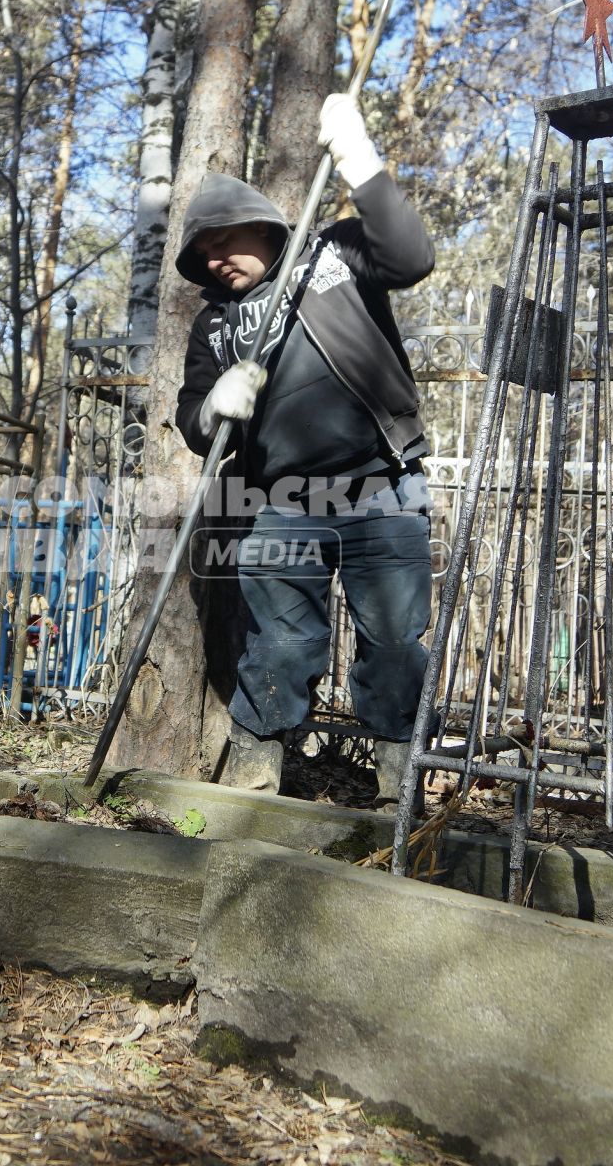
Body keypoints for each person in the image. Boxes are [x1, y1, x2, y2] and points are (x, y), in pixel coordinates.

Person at [173, 94, 436, 798]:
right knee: (282, 644)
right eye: (203, 253)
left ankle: (397, 786)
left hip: (382, 486)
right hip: (279, 504)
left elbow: (412, 258)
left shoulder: (336, 254)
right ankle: (256, 776)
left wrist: (361, 161)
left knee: (393, 645)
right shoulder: (215, 326)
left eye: (225, 239)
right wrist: (215, 404)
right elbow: (191, 416)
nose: (216, 258)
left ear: (262, 226)